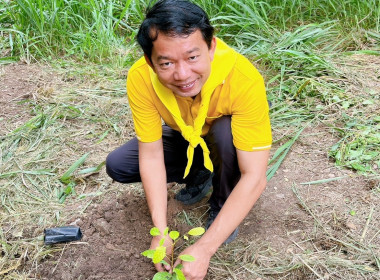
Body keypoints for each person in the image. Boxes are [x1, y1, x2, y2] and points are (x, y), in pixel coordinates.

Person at [106, 0, 272, 279]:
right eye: (167, 63)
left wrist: (204, 248)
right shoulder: (140, 78)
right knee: (120, 164)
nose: (183, 75)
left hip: (224, 141)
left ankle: (222, 205)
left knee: (224, 132)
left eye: (192, 57)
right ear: (150, 61)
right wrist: (160, 232)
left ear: (211, 47)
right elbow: (151, 153)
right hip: (189, 137)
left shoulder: (243, 79)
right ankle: (199, 174)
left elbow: (254, 176)